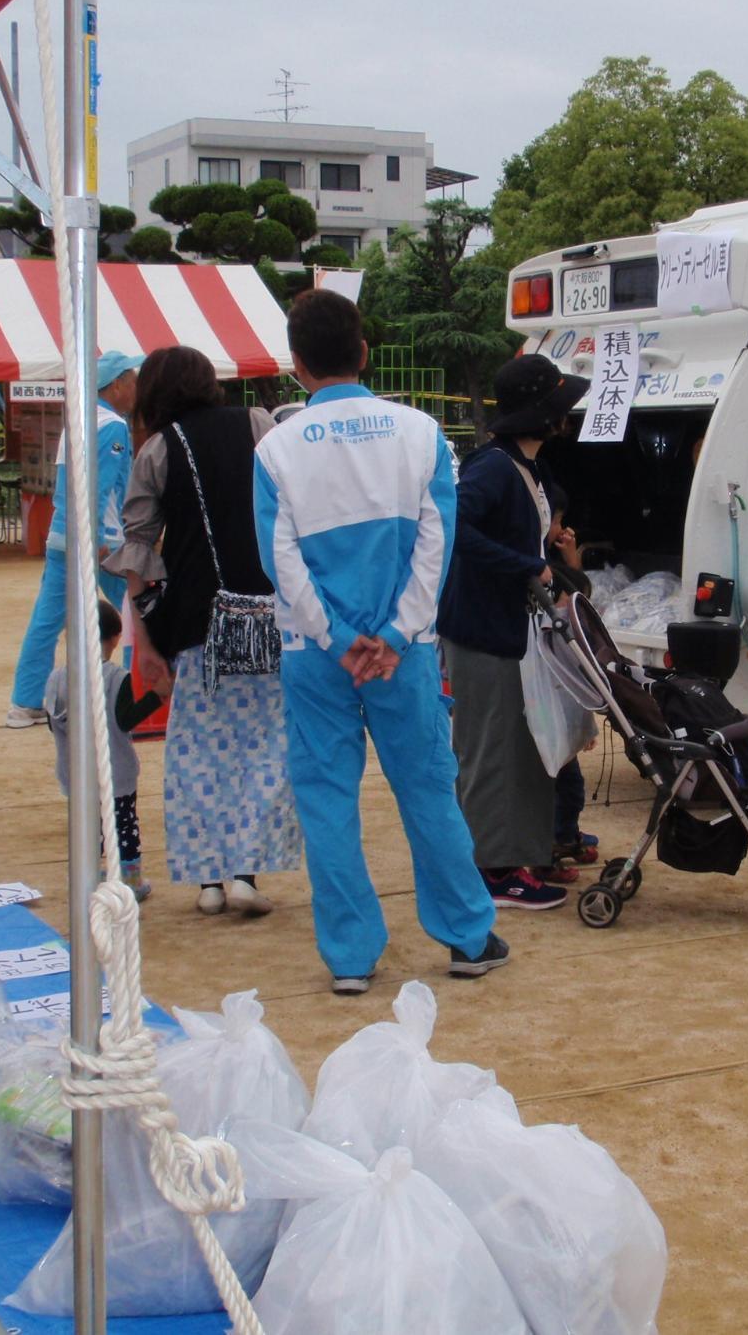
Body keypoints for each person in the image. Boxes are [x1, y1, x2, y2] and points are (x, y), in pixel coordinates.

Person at [253, 289, 507, 994]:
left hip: (314, 655)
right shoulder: (421, 433)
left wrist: (338, 640)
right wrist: (395, 633)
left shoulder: (274, 450)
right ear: (364, 352)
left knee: (327, 799)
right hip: (408, 650)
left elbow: (280, 561)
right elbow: (438, 541)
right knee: (428, 787)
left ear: (296, 366)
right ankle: (467, 936)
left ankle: (351, 959)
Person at [108, 344, 301, 916]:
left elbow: (138, 550)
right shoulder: (258, 423)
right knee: (267, 745)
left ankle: (209, 883)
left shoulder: (158, 449)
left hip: (197, 621)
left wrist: (144, 641)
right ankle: (246, 870)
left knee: (198, 749)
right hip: (269, 613)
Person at [438, 354, 591, 910]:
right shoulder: (493, 467)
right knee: (491, 750)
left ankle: (515, 856)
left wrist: (542, 543)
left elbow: (537, 506)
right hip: (483, 630)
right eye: (559, 408)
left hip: (503, 628)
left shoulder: (521, 464)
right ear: (542, 416)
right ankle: (492, 872)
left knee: (518, 747)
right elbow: (454, 526)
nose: (566, 417)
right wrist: (525, 563)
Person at [7, 351, 141, 727]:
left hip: (63, 535)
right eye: (133, 380)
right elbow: (99, 489)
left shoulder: (79, 420)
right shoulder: (112, 425)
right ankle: (137, 693)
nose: (137, 389)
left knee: (47, 620)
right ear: (117, 385)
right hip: (102, 541)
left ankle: (25, 701)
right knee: (135, 612)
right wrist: (97, 537)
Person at [44, 598, 160, 900]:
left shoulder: (56, 678)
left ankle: (88, 877)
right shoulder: (115, 677)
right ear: (113, 639)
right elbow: (126, 720)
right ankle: (131, 882)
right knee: (124, 829)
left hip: (75, 774)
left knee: (86, 829)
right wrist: (157, 697)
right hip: (115, 773)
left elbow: (50, 722)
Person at [545, 483, 599, 875]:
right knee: (565, 785)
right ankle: (558, 841)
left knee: (567, 784)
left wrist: (569, 559)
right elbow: (573, 601)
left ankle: (566, 832)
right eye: (557, 520)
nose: (561, 527)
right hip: (549, 711)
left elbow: (574, 597)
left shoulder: (552, 574)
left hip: (558, 714)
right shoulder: (552, 635)